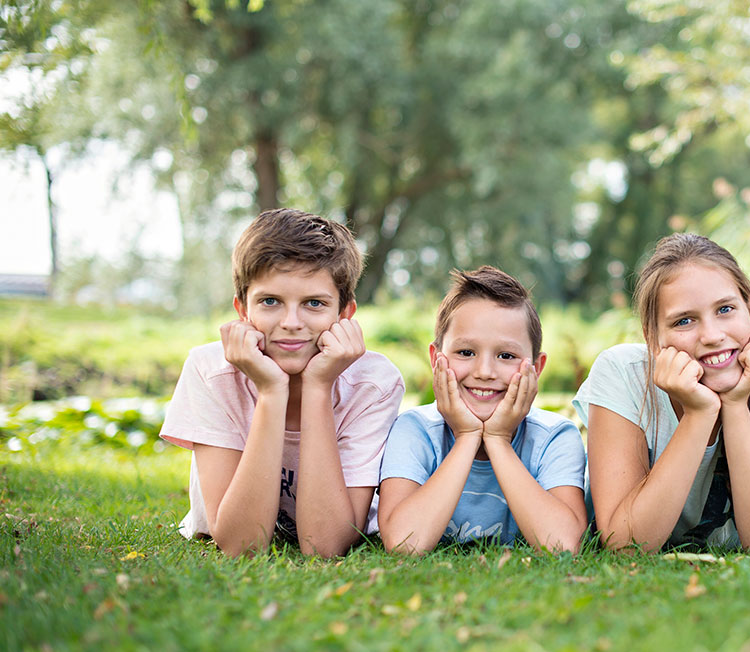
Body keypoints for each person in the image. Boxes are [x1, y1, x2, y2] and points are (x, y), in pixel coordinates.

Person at [160, 208, 404, 558]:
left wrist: (319, 387)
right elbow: (240, 546)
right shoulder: (211, 371)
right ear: (242, 309)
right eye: (270, 301)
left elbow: (325, 546)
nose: (291, 322)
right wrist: (272, 392)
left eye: (314, 303)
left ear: (345, 314)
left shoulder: (372, 384)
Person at [574, 233, 750, 554]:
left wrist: (736, 403)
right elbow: (626, 546)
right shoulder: (623, 374)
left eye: (725, 309)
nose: (712, 336)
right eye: (685, 321)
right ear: (653, 338)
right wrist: (699, 413)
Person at [378, 266, 587, 554]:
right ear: (436, 359)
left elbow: (562, 545)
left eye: (506, 355)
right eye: (466, 352)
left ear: (536, 368)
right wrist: (466, 437)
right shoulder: (415, 430)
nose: (485, 372)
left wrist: (498, 439)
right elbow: (404, 544)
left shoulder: (555, 437)